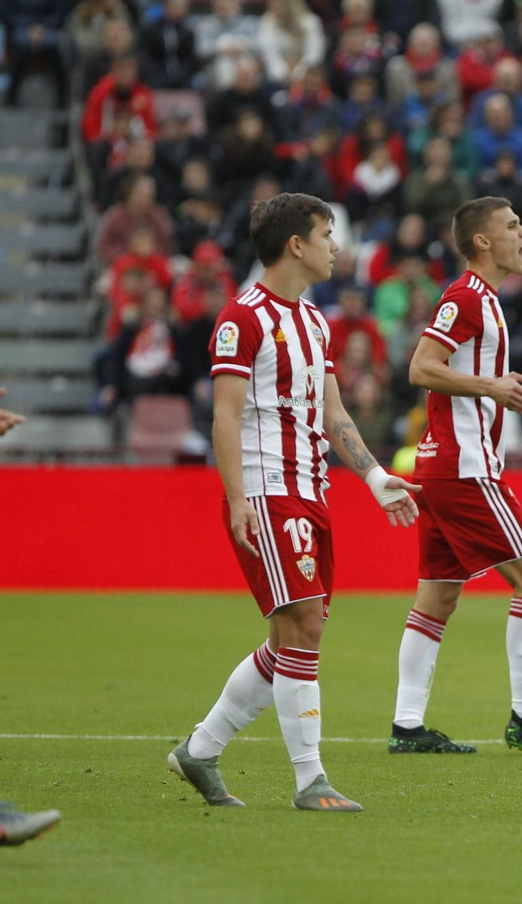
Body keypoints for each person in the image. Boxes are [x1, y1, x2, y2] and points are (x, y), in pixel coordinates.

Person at [167, 193, 422, 813]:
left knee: (293, 638)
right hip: (267, 490)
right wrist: (237, 499)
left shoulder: (314, 321)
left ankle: (200, 749)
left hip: (312, 490)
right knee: (303, 626)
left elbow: (334, 414)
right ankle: (311, 780)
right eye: (327, 233)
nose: (336, 245)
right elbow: (225, 417)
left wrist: (374, 477)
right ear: (296, 245)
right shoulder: (243, 319)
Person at [387, 197, 522, 757]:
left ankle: (407, 727)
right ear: (482, 241)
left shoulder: (483, 300)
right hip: (465, 467)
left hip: (443, 466)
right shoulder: (467, 297)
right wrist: (492, 387)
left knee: (437, 598)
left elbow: (489, 387)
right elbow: (421, 367)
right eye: (512, 226)